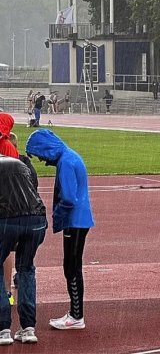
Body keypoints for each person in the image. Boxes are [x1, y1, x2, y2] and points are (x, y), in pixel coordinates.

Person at [26, 129, 95, 330]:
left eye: (40, 155)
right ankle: (75, 313)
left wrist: (57, 215)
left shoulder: (65, 162)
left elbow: (68, 198)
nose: (41, 160)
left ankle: (76, 315)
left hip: (75, 221)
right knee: (73, 266)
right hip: (80, 219)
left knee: (71, 267)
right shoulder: (70, 156)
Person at [0, 155, 47, 345]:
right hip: (36, 219)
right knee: (26, 268)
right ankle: (28, 328)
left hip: (6, 221)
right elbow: (33, 186)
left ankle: (3, 329)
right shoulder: (19, 163)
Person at [0, 114, 20, 308]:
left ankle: (6, 292)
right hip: (8, 204)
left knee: (5, 250)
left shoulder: (7, 147)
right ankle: (6, 292)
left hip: (5, 205)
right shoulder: (8, 147)